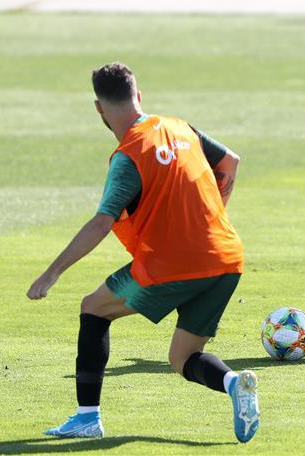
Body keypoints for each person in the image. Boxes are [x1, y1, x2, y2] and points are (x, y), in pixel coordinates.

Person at [27, 62, 260, 442]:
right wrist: (211, 217)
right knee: (182, 358)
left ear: (99, 108)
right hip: (226, 257)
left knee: (93, 307)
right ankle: (235, 384)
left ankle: (87, 418)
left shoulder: (128, 157)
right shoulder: (181, 127)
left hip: (172, 265)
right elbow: (230, 162)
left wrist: (52, 273)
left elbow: (102, 223)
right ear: (139, 95)